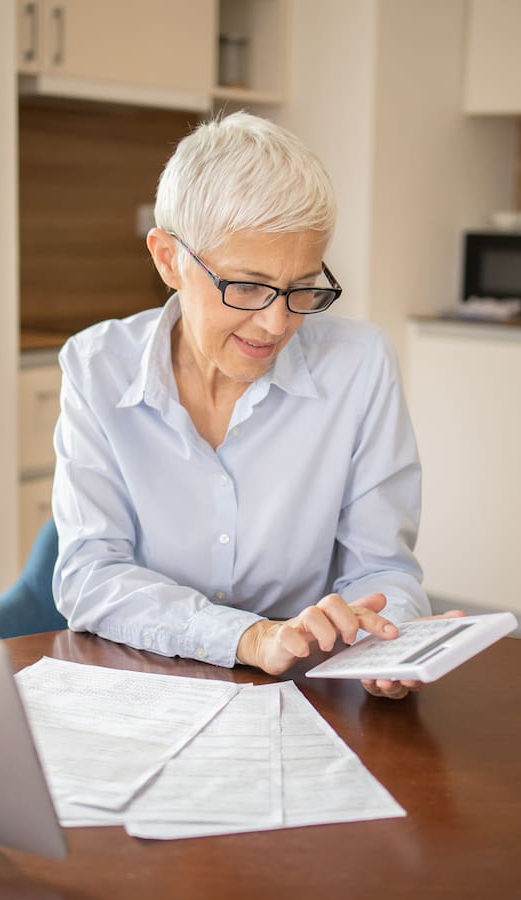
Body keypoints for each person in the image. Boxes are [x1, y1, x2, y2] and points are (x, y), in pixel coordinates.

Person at [51, 111, 459, 699]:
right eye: (247, 286)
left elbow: (381, 569)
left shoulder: (360, 364)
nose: (276, 323)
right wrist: (249, 637)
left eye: (302, 287)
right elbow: (91, 575)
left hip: (305, 694)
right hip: (145, 689)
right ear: (168, 259)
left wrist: (387, 642)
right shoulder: (96, 367)